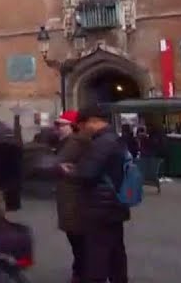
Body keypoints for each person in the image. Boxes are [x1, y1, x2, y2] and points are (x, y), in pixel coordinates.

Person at [61, 107, 130, 283]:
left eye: (83, 125)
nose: (82, 129)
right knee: (116, 253)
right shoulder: (114, 138)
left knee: (97, 256)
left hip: (100, 207)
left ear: (92, 121)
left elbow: (88, 173)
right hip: (114, 204)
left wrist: (69, 171)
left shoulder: (101, 143)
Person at [54, 111, 90, 283]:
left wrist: (59, 166)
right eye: (57, 125)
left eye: (62, 125)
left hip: (74, 198)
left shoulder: (74, 142)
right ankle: (81, 270)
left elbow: (58, 163)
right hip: (68, 196)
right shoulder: (65, 142)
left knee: (77, 237)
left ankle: (81, 272)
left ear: (73, 126)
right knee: (76, 237)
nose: (58, 128)